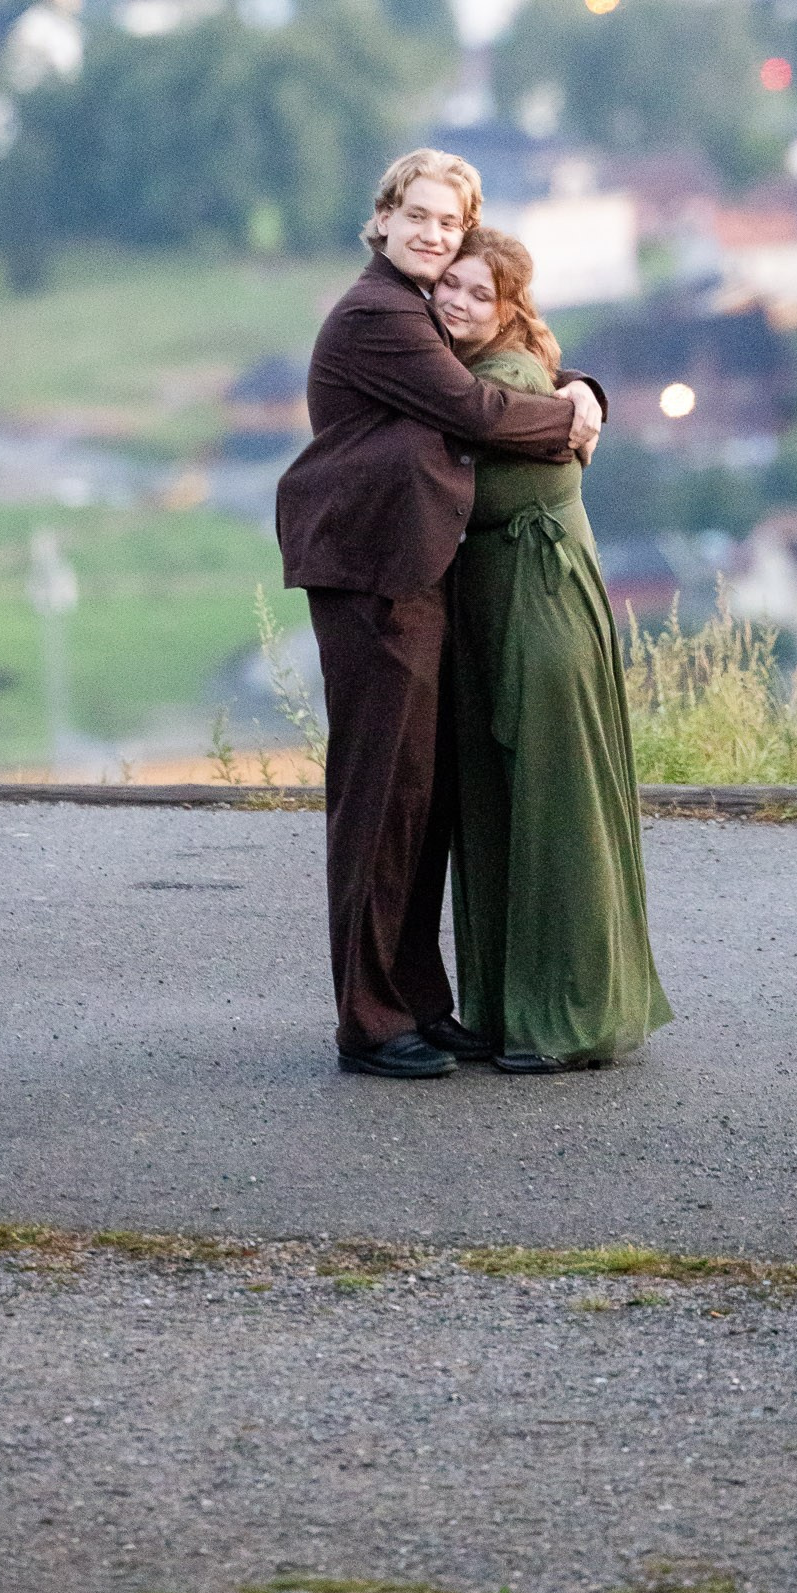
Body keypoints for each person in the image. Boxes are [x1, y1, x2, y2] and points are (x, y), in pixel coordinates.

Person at [276, 150, 605, 1079]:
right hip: (373, 573)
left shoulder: (416, 306)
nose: (432, 234)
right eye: (417, 216)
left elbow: (498, 349)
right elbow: (471, 405)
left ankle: (420, 1001)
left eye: (450, 224)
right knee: (381, 801)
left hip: (409, 572)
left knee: (419, 798)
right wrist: (575, 420)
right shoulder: (376, 312)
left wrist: (582, 386)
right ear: (382, 218)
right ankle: (371, 1024)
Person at [431, 227, 672, 1075]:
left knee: (552, 808)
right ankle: (511, 1010)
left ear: (508, 308)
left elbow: (473, 459)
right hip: (500, 608)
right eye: (448, 285)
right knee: (503, 807)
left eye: (477, 292)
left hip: (539, 609)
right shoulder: (484, 371)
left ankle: (569, 1016)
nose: (456, 301)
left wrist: (579, 402)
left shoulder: (511, 381)